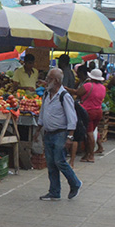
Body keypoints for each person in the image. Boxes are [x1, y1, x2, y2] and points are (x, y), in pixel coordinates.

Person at [39, 67, 81, 201]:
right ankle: (54, 192)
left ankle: (75, 183)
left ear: (56, 81)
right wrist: (38, 130)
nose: (46, 81)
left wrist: (70, 137)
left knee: (59, 161)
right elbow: (42, 112)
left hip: (60, 134)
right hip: (48, 133)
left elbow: (72, 118)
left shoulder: (64, 96)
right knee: (51, 163)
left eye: (49, 79)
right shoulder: (46, 94)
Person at [77, 64, 106, 162]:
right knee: (91, 132)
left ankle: (91, 155)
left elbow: (77, 93)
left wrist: (66, 89)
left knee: (89, 134)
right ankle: (87, 154)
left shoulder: (88, 85)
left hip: (88, 112)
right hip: (98, 111)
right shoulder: (103, 87)